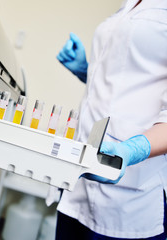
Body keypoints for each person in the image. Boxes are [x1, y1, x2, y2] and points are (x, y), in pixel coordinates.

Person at [55, 0, 167, 239]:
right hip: (78, 184)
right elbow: (127, 86)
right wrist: (85, 70)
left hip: (130, 199)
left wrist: (129, 150)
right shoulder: (130, 4)